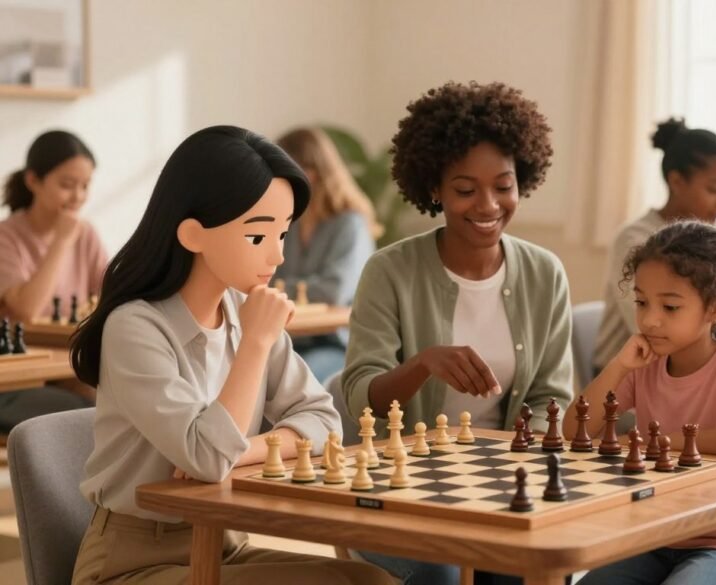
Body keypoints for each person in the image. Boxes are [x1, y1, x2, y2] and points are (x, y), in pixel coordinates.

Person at [67, 125, 393, 585]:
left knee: (370, 580)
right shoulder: (135, 327)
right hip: (132, 561)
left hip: (224, 544)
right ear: (193, 234)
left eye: (283, 234)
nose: (278, 256)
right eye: (259, 237)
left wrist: (244, 453)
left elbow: (323, 418)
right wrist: (257, 345)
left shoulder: (244, 310)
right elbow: (206, 458)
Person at [335, 81, 574, 585]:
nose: (487, 205)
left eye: (503, 185)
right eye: (465, 189)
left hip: (504, 488)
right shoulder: (389, 271)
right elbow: (361, 398)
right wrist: (422, 363)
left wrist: (501, 465)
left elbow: (551, 395)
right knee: (444, 575)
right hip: (401, 490)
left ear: (522, 179)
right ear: (434, 189)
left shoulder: (544, 272)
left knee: (526, 572)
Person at [565, 220, 716, 585]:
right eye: (641, 302)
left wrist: (663, 442)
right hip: (654, 536)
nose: (650, 320)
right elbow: (573, 430)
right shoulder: (643, 365)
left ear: (715, 308)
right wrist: (619, 366)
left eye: (669, 307)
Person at [594, 118, 716, 374]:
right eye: (714, 189)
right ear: (677, 182)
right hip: (625, 376)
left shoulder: (712, 241)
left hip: (681, 368)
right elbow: (648, 328)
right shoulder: (635, 240)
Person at [0, 130, 105, 432]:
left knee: (122, 401)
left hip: (68, 363)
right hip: (17, 376)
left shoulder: (86, 234)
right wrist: (60, 241)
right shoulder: (7, 237)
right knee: (95, 411)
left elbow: (115, 293)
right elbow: (26, 311)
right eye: (67, 185)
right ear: (33, 180)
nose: (78, 197)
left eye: (85, 186)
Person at [275, 127, 378, 383]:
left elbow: (333, 290)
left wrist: (277, 288)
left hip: (336, 344)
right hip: (287, 338)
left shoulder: (350, 224)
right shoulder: (289, 223)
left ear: (310, 173)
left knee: (292, 380)